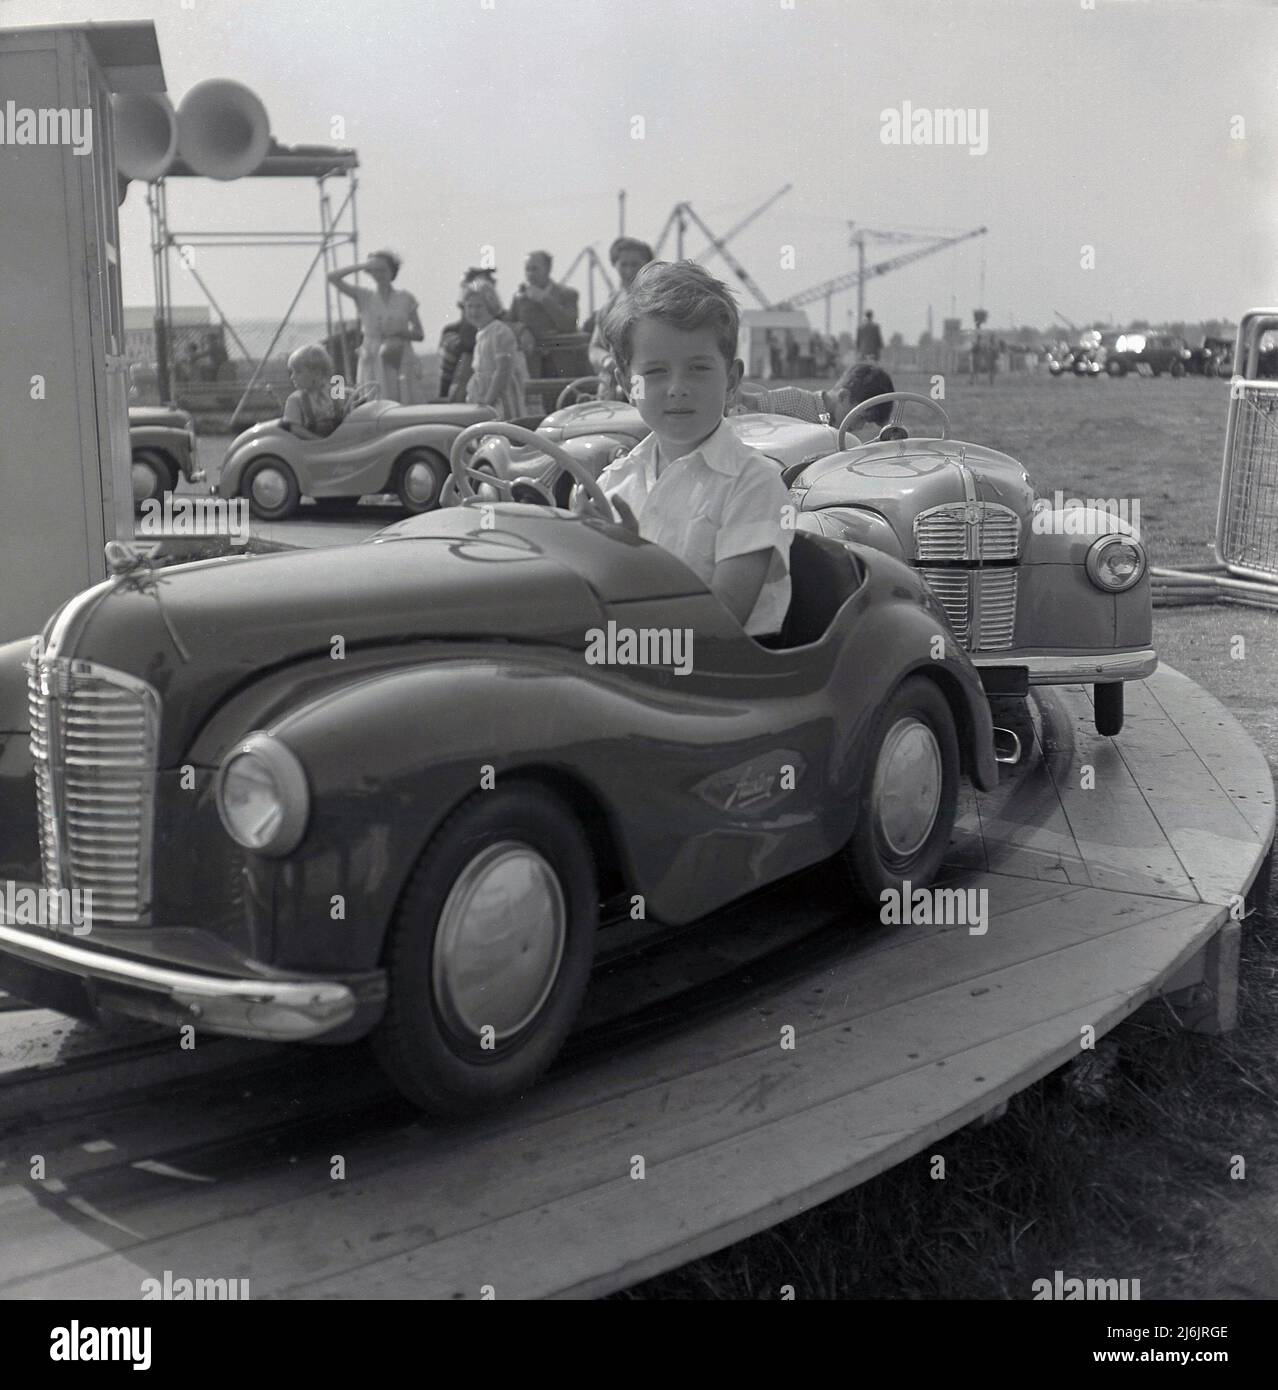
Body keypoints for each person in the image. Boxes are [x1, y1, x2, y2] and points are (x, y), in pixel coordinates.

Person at [592, 260, 792, 640]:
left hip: (726, 675)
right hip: (633, 659)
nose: (677, 388)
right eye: (654, 372)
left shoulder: (754, 484)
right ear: (626, 384)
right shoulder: (614, 482)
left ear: (731, 380)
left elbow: (723, 620)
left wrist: (633, 560)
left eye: (698, 369)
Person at [327, 249, 426, 402]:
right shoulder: (364, 295)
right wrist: (362, 266)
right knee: (375, 398)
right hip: (373, 355)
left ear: (392, 271)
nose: (379, 274)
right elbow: (332, 277)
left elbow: (419, 334)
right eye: (374, 270)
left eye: (383, 270)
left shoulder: (405, 298)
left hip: (399, 353)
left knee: (403, 396)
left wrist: (401, 331)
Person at [734, 361, 896, 428]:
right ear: (843, 396)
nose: (860, 427)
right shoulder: (796, 400)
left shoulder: (843, 437)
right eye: (860, 418)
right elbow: (749, 401)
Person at [462, 278, 529, 420]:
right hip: (482, 392)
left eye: (479, 306)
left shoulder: (499, 331)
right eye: (470, 306)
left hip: (499, 394)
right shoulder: (481, 333)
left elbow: (503, 370)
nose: (474, 311)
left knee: (504, 428)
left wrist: (489, 400)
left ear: (490, 306)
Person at [589, 236, 655, 379]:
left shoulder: (660, 300)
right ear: (615, 265)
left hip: (648, 379)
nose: (629, 270)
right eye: (624, 264)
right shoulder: (609, 306)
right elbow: (595, 347)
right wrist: (606, 361)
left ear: (647, 266)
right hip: (613, 382)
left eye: (635, 264)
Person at [510, 251, 580, 376]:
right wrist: (521, 330)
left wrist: (544, 299)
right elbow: (508, 322)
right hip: (532, 365)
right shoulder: (519, 298)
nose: (530, 274)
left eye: (535, 269)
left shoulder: (568, 294)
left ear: (548, 269)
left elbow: (569, 324)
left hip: (561, 365)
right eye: (527, 269)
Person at [281, 343, 345, 439]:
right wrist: (320, 441)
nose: (292, 377)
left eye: (298, 372)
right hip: (310, 447)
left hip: (336, 442)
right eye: (292, 372)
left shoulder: (334, 394)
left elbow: (346, 414)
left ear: (317, 374)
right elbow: (295, 428)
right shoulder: (295, 400)